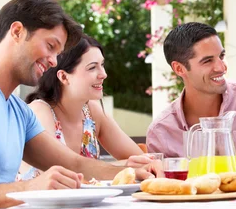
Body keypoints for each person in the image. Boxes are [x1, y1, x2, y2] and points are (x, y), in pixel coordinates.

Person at [0, 0, 162, 209]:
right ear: (17, 32)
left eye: (58, 52)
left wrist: (131, 171)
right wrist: (28, 189)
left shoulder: (17, 110)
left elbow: (74, 163)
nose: (54, 61)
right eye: (50, 46)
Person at [146, 22, 236, 162]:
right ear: (179, 69)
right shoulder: (161, 132)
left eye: (221, 56)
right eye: (207, 61)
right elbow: (165, 181)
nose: (221, 67)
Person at [19, 35, 146, 180]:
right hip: (38, 202)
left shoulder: (91, 111)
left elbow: (141, 161)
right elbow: (58, 176)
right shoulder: (40, 111)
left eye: (102, 65)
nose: (103, 74)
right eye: (92, 67)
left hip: (84, 202)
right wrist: (122, 166)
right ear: (64, 77)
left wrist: (129, 165)